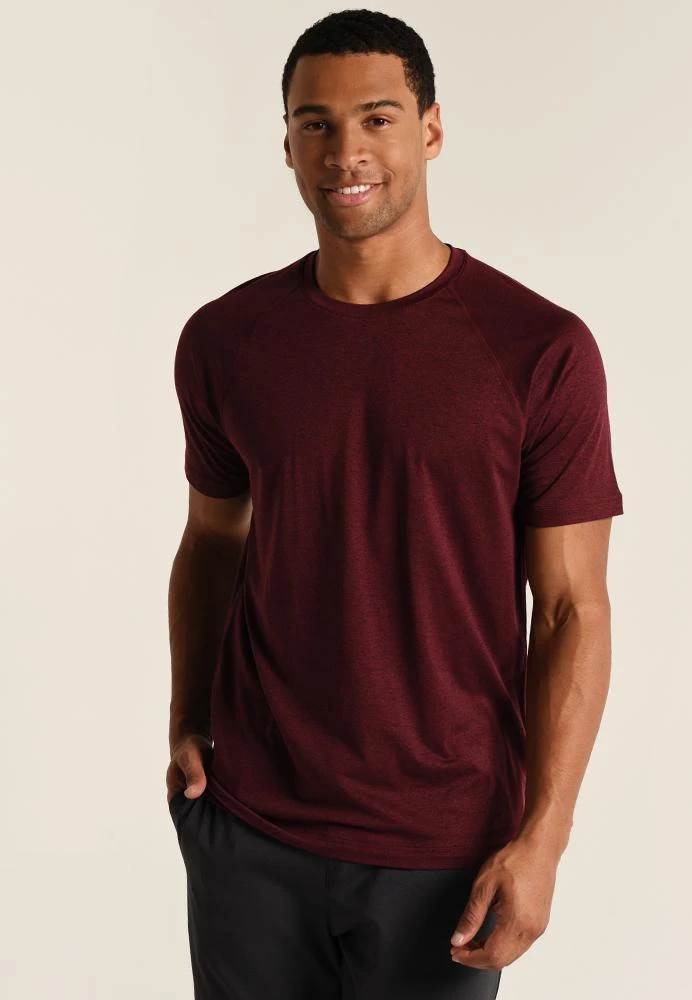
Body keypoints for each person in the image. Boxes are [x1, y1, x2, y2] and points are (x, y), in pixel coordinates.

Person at [166, 8, 624, 999]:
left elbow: (573, 609)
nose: (346, 152)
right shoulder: (226, 340)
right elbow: (212, 541)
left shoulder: (539, 349)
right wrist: (186, 715)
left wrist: (544, 839)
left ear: (432, 129)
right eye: (316, 124)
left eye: (377, 118)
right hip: (251, 828)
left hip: (444, 848)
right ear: (287, 144)